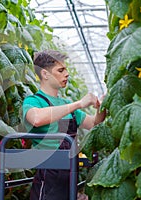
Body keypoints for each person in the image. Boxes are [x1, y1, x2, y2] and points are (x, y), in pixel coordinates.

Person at [22, 50, 106, 200]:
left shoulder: (66, 104)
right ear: (45, 74)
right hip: (48, 178)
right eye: (61, 70)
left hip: (70, 176)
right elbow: (36, 118)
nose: (66, 74)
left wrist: (103, 106)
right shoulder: (33, 101)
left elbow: (94, 123)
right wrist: (78, 104)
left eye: (66, 69)